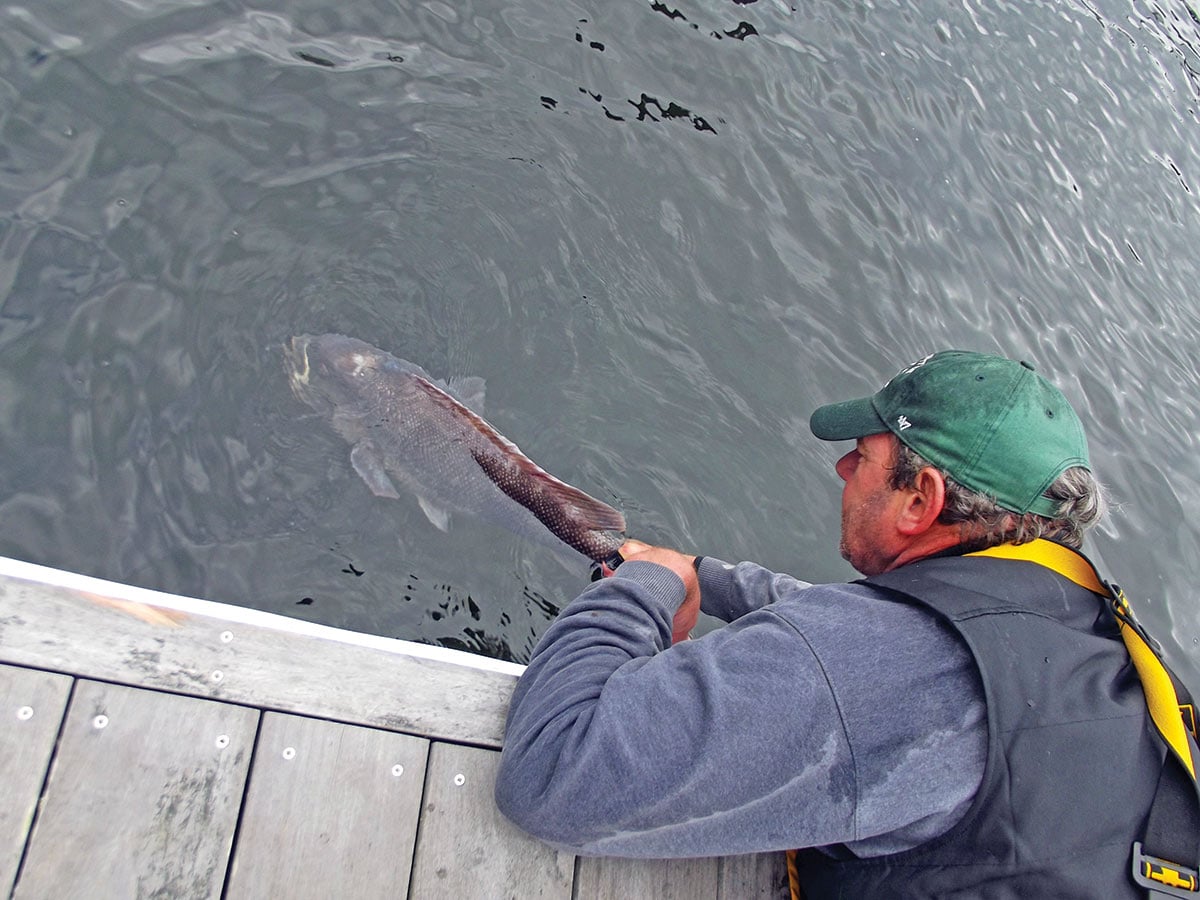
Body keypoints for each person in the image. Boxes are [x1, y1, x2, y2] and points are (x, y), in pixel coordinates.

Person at [494, 350, 1196, 898]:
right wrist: (699, 573)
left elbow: (556, 774)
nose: (841, 468)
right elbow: (867, 641)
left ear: (921, 499)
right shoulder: (1082, 625)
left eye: (863, 458)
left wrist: (644, 587)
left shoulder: (879, 671)